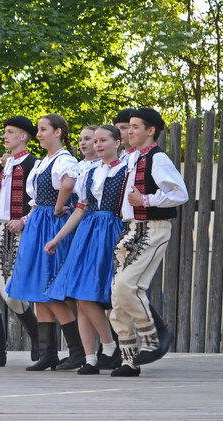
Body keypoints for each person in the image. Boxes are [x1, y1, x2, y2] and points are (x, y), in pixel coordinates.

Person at [110, 108, 188, 376]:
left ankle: (154, 337)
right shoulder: (132, 158)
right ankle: (129, 360)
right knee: (118, 296)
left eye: (134, 127)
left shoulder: (158, 157)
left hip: (152, 228)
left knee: (127, 285)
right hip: (131, 228)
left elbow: (179, 193)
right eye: (128, 127)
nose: (129, 131)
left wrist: (145, 200)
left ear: (150, 130)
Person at [5, 113, 85, 371]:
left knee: (49, 287)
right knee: (39, 289)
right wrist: (30, 218)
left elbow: (68, 184)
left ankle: (77, 351)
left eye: (43, 130)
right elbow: (36, 199)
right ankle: (48, 352)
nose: (38, 134)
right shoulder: (43, 162)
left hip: (52, 223)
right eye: (38, 130)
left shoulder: (65, 160)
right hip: (39, 222)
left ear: (58, 132)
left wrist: (58, 207)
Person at [44, 125, 125, 375]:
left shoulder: (126, 170)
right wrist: (58, 238)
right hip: (88, 233)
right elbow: (80, 208)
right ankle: (90, 357)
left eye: (103, 140)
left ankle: (110, 347)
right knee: (79, 295)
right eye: (96, 141)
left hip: (112, 229)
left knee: (93, 294)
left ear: (118, 142)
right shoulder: (89, 172)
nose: (98, 145)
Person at [0, 116, 40, 367]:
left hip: (15, 230)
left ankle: (39, 340)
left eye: (10, 132)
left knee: (11, 292)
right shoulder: (2, 164)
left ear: (24, 136)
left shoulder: (33, 164)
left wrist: (24, 220)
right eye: (5, 132)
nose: (5, 136)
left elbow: (40, 201)